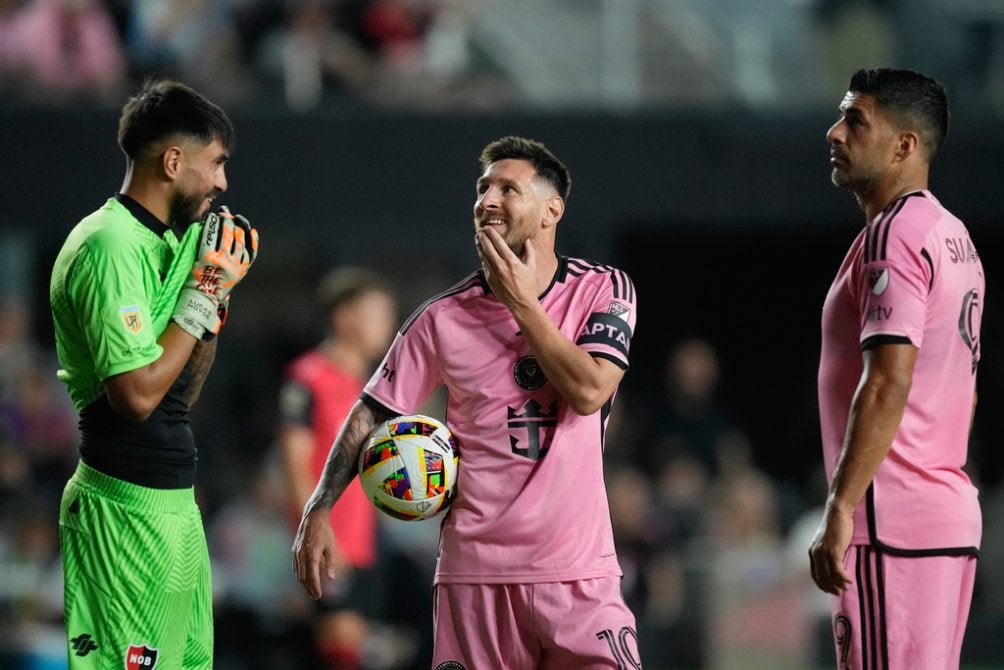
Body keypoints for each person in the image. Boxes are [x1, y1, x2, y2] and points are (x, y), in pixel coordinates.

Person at [292, 135, 642, 668]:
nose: (488, 200)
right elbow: (373, 411)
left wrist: (521, 303)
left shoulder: (603, 289)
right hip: (475, 578)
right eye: (483, 188)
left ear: (553, 210)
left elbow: (590, 390)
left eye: (508, 188)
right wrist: (319, 508)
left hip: (578, 572)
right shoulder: (440, 318)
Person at [49, 78, 258, 669]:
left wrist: (213, 305)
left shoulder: (178, 242)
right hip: (121, 515)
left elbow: (179, 391)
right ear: (173, 161)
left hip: (175, 510)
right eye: (216, 163)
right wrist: (202, 293)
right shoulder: (109, 246)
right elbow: (136, 398)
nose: (222, 182)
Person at [809, 68, 984, 669]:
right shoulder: (951, 234)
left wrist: (841, 508)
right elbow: (964, 390)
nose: (835, 132)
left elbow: (887, 378)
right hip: (940, 519)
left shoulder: (897, 234)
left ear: (905, 145)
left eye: (856, 121)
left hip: (893, 527)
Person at [277, 266, 398, 669]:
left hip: (365, 539)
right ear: (346, 318)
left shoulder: (370, 387)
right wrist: (317, 527)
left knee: (360, 645)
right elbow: (295, 462)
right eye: (378, 314)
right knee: (340, 645)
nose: (388, 326)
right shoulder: (307, 378)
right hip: (333, 540)